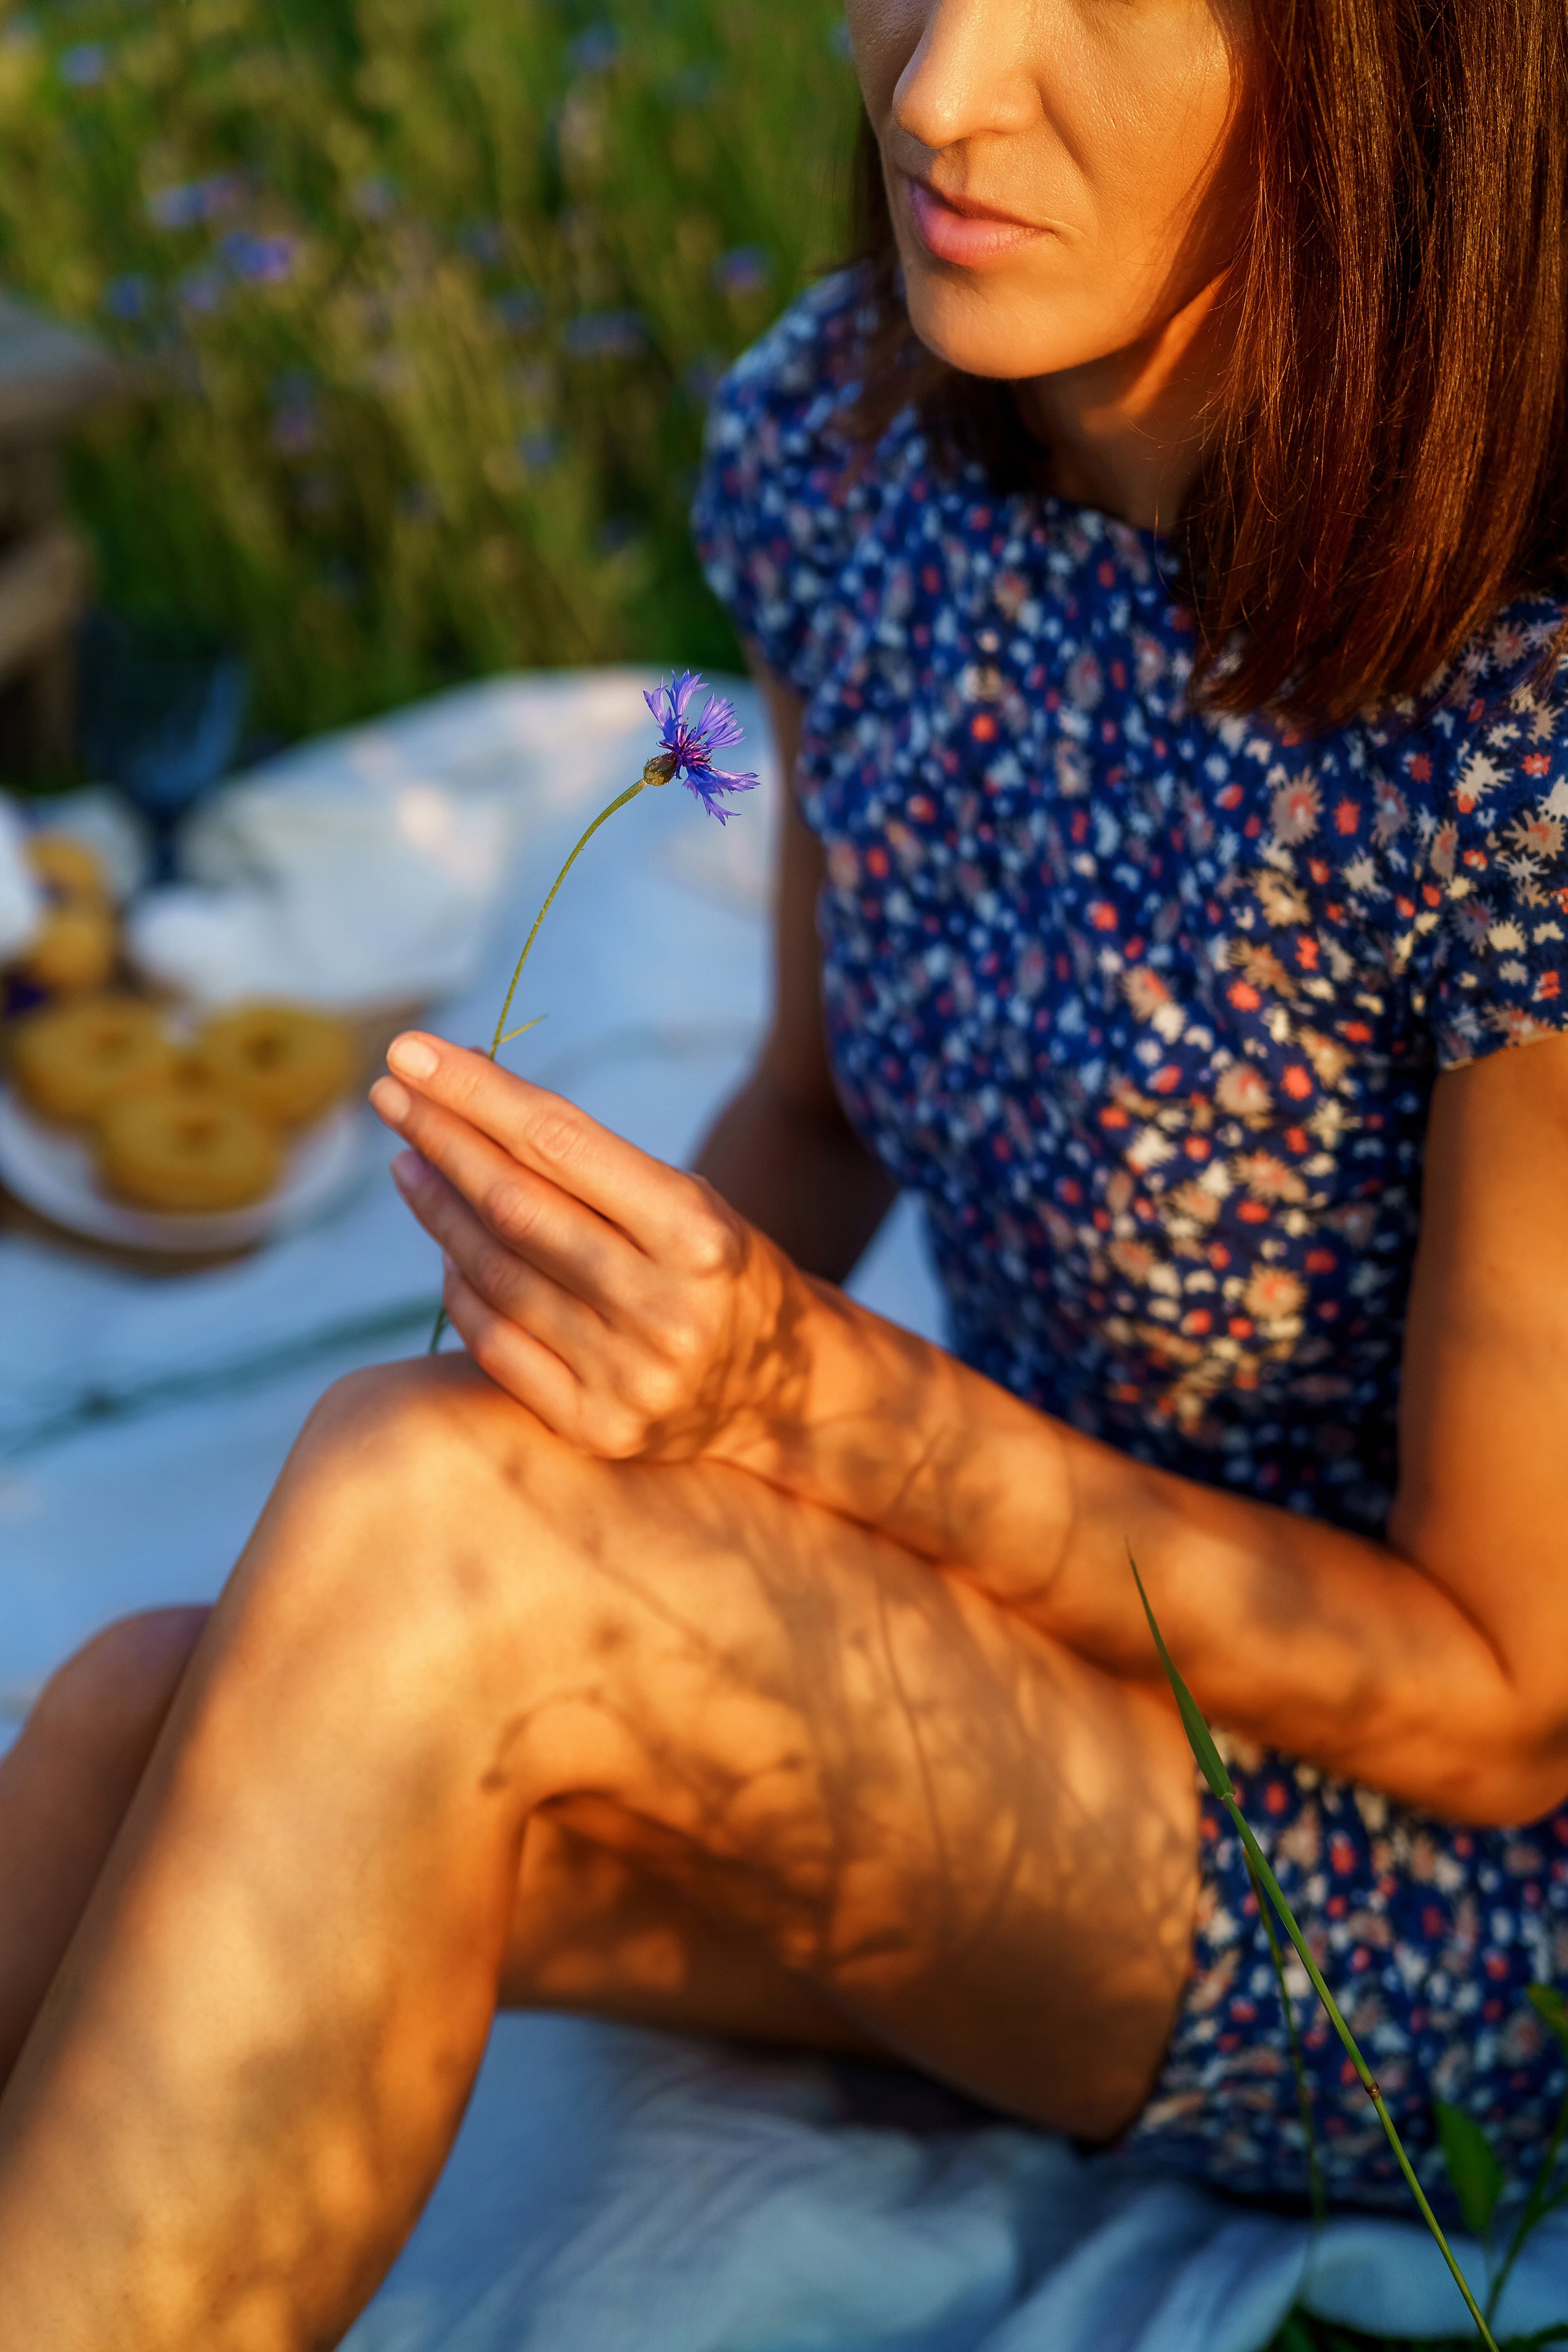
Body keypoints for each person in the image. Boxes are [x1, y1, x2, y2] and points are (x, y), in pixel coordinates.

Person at [3, 1, 1568, 2340]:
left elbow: (1505, 1695)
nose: (938, 87)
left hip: (1413, 1897)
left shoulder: (1517, 717)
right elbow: (826, 1109)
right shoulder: (850, 454)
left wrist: (817, 1415)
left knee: (433, 1539)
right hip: (1013, 1652)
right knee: (145, 1704)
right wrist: (590, 1325)